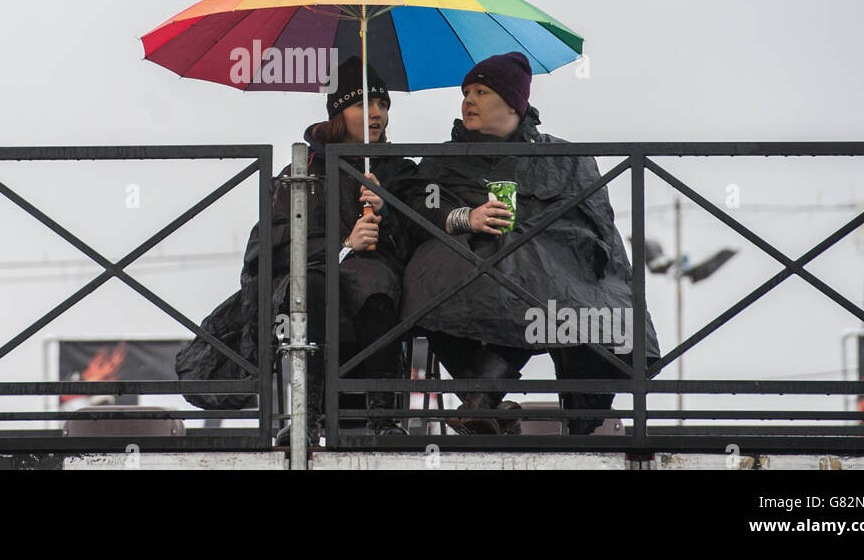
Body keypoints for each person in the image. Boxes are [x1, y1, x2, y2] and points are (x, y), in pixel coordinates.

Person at [399, 52, 659, 435]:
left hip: (557, 274)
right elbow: (420, 207)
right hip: (469, 268)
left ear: (512, 103)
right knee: (428, 275)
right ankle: (483, 399)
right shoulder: (441, 161)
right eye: (466, 91)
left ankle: (484, 399)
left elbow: (597, 227)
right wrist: (465, 218)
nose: (468, 100)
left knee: (539, 275)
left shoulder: (566, 158)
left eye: (482, 91)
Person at [175, 58, 419, 444]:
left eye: (383, 105)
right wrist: (343, 245)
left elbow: (420, 247)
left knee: (375, 285)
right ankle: (307, 418)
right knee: (314, 287)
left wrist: (387, 213)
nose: (377, 114)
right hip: (313, 288)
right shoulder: (299, 173)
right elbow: (265, 251)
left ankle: (384, 420)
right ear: (339, 113)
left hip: (382, 295)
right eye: (363, 104)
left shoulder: (401, 172)